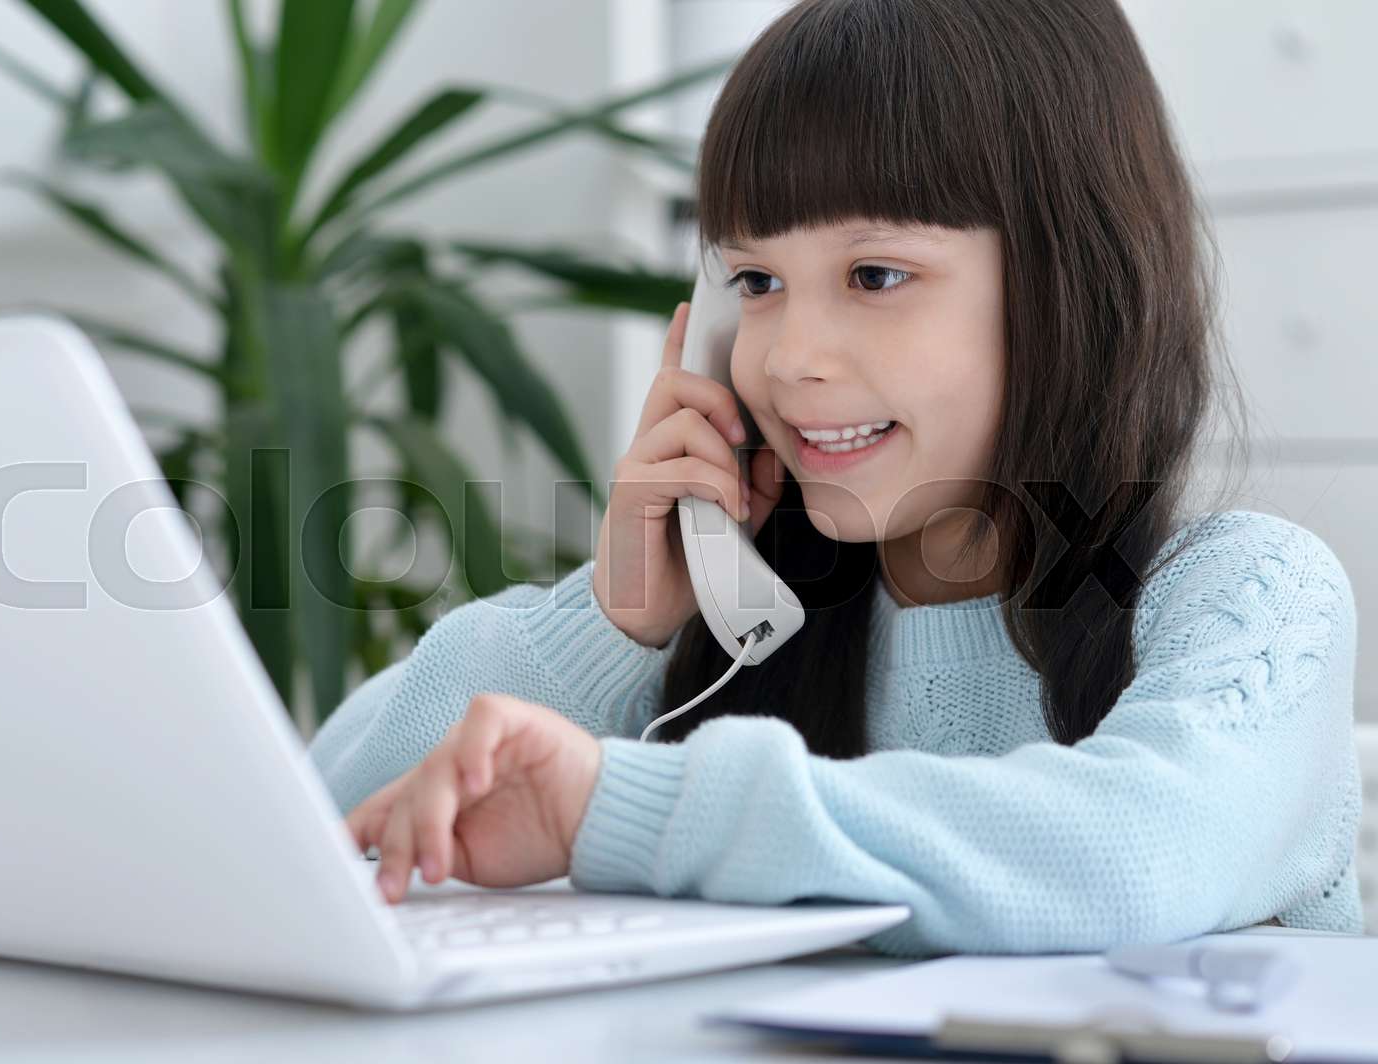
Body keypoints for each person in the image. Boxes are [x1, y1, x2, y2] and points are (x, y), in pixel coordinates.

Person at [307, 0, 1362, 957]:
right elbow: (323, 817)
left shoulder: (1247, 596)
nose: (790, 355)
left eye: (875, 274)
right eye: (755, 280)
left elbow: (1147, 843)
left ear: (1071, 281)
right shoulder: (740, 637)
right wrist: (611, 618)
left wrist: (627, 806)